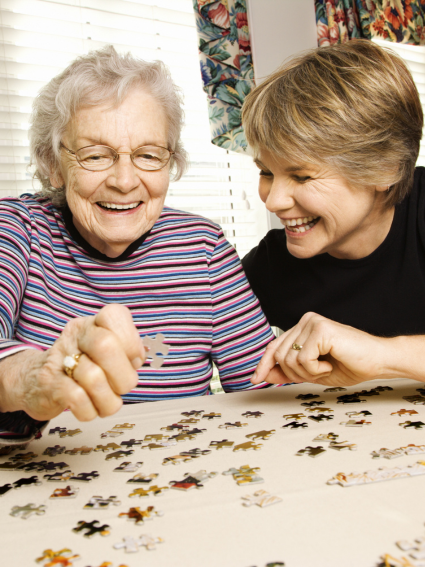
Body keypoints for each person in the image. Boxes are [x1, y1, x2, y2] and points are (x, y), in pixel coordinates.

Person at [0, 46, 273, 445]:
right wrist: (29, 376)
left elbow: (264, 391)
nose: (125, 181)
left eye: (148, 155)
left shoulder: (204, 249)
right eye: (95, 155)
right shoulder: (15, 229)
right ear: (53, 164)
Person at [241, 39, 425, 389]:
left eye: (302, 175)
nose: (274, 200)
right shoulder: (269, 265)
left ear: (384, 169)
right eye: (266, 172)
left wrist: (380, 356)